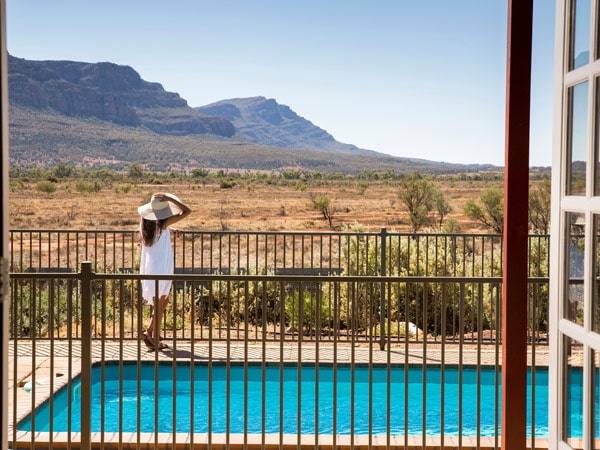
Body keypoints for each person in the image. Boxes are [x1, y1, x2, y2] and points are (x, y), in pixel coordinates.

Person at [137, 193, 191, 350]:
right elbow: (187, 211)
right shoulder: (162, 224)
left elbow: (159, 232)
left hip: (151, 266)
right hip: (160, 266)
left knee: (163, 301)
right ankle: (153, 339)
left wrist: (170, 229)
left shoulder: (147, 224)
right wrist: (172, 200)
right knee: (160, 302)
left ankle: (149, 333)